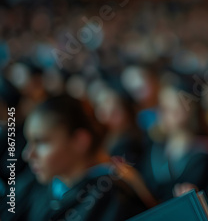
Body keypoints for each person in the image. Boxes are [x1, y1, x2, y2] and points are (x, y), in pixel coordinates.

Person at [20, 94, 154, 221]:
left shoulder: (111, 195)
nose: (27, 154)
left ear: (80, 141)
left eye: (41, 142)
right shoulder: (47, 188)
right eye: (29, 142)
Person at [137, 85, 208, 202]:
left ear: (188, 110)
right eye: (162, 108)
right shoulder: (154, 149)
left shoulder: (206, 152)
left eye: (169, 108)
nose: (162, 114)